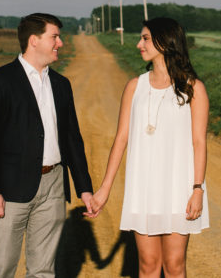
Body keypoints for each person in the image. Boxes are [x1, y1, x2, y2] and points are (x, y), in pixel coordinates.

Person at [87, 16, 209, 278]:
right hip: (143, 189)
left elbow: (199, 142)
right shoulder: (135, 87)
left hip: (179, 188)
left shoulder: (193, 88)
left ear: (165, 42)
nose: (138, 44)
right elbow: (121, 139)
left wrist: (197, 189)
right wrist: (104, 190)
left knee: (174, 265)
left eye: (144, 38)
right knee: (148, 265)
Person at [0, 13, 95, 278]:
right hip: (10, 189)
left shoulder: (62, 85)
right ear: (33, 40)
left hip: (53, 185)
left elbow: (73, 140)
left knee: (43, 269)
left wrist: (84, 188)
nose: (60, 43)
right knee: (2, 266)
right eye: (54, 37)